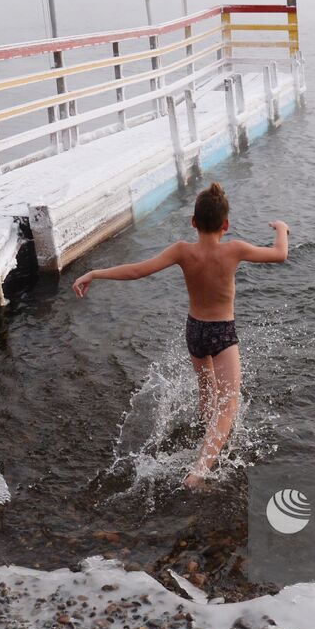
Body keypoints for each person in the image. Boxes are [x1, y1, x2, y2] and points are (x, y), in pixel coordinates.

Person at [72, 182, 290, 488]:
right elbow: (280, 254)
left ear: (193, 223)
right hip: (222, 333)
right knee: (229, 404)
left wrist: (94, 273)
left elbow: (137, 271)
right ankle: (198, 473)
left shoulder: (181, 251)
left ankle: (203, 433)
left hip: (195, 331)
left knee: (208, 394)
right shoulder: (234, 249)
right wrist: (281, 228)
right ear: (225, 225)